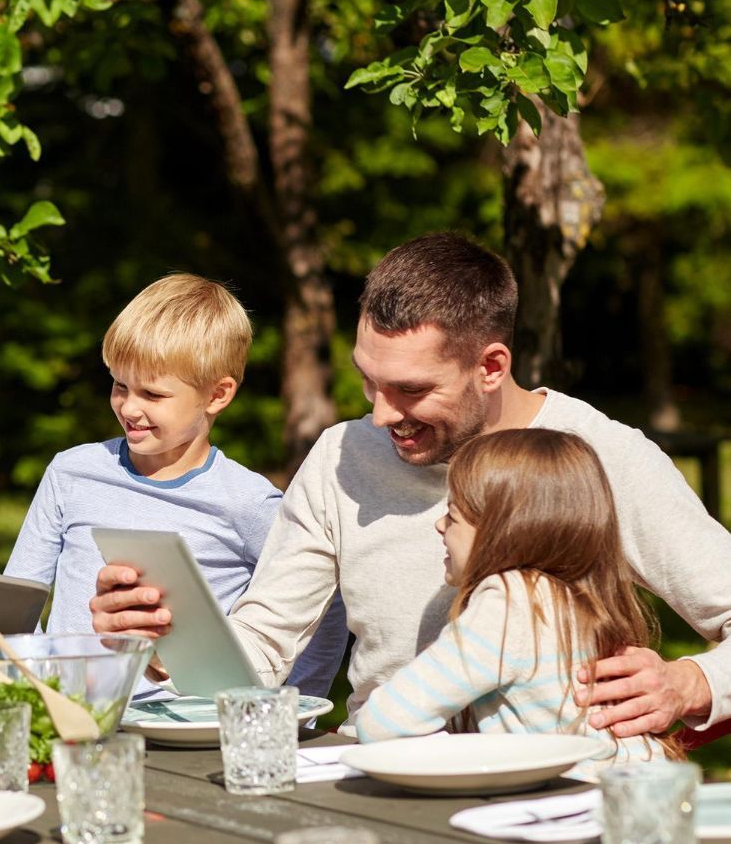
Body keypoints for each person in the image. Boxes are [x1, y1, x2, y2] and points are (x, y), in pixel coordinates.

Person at [92, 232, 731, 738]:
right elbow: (262, 648)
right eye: (369, 382)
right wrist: (162, 640)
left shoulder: (597, 456)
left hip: (553, 795)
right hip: (379, 778)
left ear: (491, 365)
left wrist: (691, 683)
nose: (380, 415)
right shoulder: (343, 454)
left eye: (410, 390)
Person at [3, 273, 347, 695]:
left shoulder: (250, 503)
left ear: (217, 395)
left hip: (187, 728)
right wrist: (27, 688)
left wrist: (297, 709)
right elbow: (20, 598)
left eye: (153, 394)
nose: (129, 407)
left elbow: (320, 611)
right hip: (67, 713)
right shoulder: (71, 473)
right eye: (119, 385)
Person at [354, 428, 675, 769]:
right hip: (637, 790)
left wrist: (469, 759)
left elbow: (382, 722)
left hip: (581, 805)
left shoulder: (508, 604)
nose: (439, 524)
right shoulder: (571, 595)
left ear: (503, 533)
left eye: (454, 515)